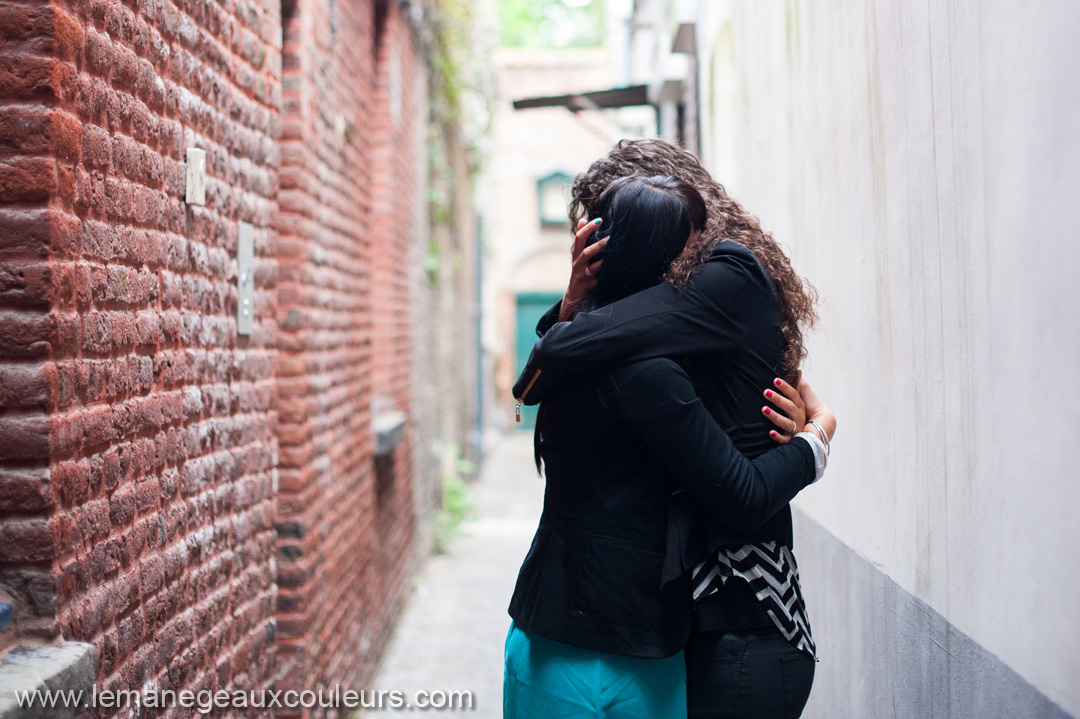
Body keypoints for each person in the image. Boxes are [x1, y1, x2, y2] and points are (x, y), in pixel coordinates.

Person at [513, 139, 832, 719]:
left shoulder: (727, 272)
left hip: (743, 601)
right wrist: (570, 304)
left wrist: (818, 437)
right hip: (693, 611)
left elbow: (573, 348)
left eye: (610, 229)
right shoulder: (672, 308)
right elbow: (549, 376)